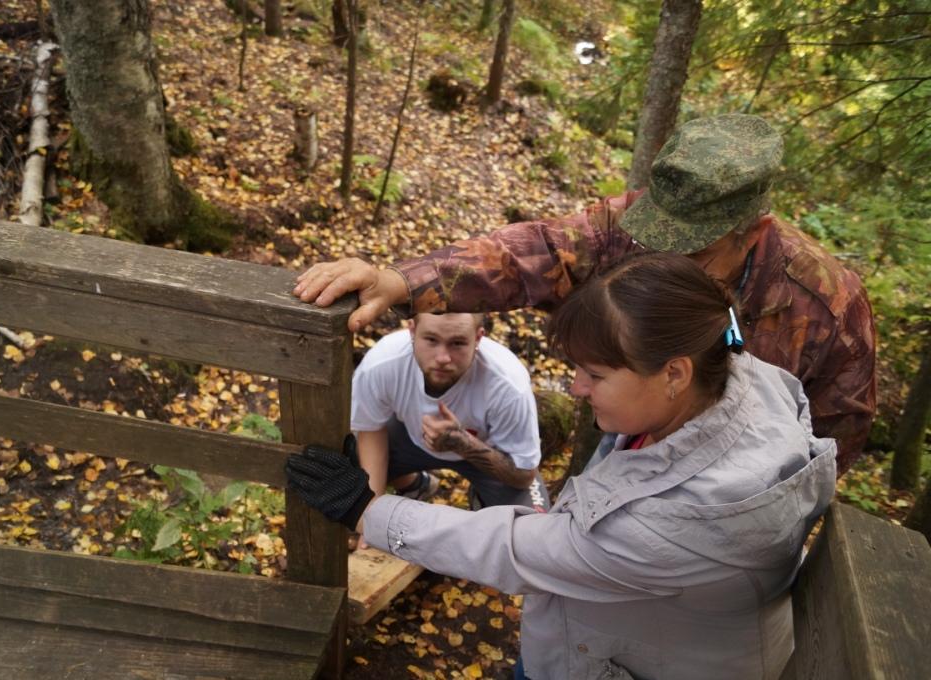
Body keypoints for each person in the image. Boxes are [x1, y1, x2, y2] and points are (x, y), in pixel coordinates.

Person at [287, 252, 837, 680]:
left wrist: (367, 510)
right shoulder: (739, 369)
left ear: (674, 373)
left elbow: (516, 547)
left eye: (595, 375)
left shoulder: (681, 524)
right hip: (617, 642)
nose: (575, 388)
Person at [293, 114, 876, 473]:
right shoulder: (635, 224)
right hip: (628, 447)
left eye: (694, 250)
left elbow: (835, 434)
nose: (669, 259)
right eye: (660, 239)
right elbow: (531, 252)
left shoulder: (823, 304)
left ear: (753, 231)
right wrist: (400, 281)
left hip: (730, 487)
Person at [352, 312, 547, 519]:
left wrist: (464, 444)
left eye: (458, 343)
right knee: (348, 465)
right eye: (431, 340)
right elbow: (370, 429)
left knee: (532, 529)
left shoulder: (508, 384)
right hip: (410, 440)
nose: (443, 358)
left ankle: (484, 505)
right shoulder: (383, 362)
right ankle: (415, 485)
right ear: (412, 331)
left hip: (491, 457)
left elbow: (525, 476)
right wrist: (371, 517)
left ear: (478, 338)